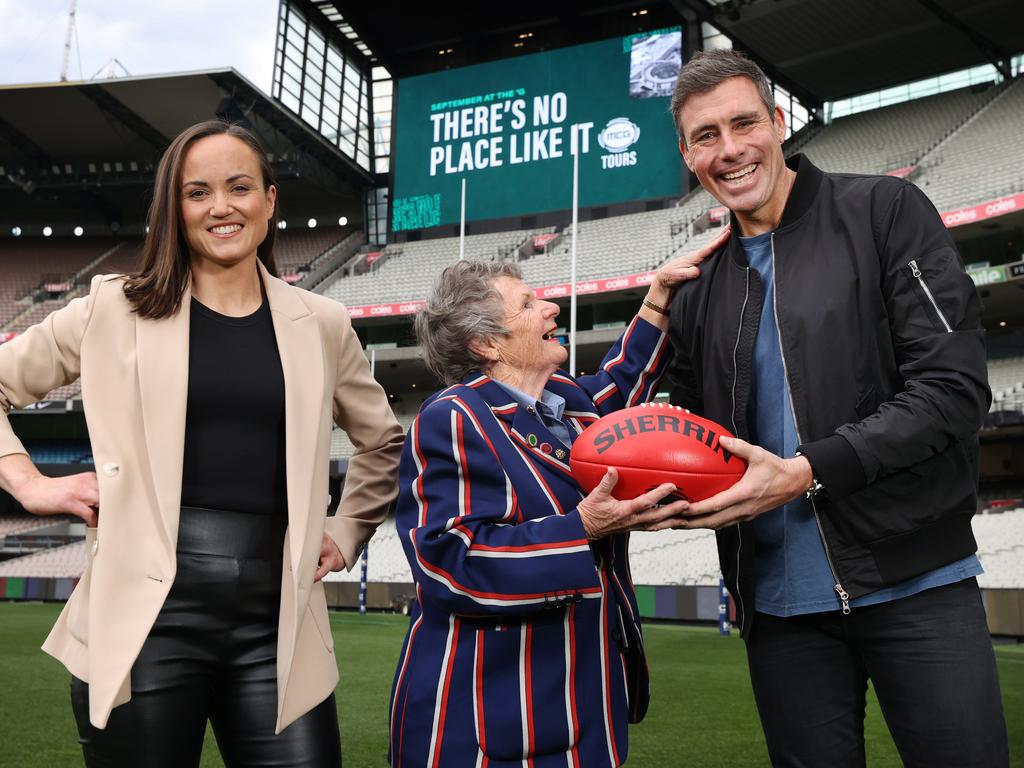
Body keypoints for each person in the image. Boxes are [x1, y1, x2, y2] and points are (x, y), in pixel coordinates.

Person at [0, 120, 404, 767]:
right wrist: (27, 482)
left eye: (239, 187)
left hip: (279, 621)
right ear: (175, 209)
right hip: (147, 623)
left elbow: (382, 439)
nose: (221, 207)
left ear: (269, 201)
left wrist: (350, 527)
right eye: (198, 192)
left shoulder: (321, 324)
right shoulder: (113, 309)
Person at [662, 49, 1008, 766]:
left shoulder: (884, 211)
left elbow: (952, 389)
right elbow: (692, 443)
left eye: (743, 123)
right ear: (687, 154)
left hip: (918, 583)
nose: (729, 151)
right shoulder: (696, 288)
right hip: (782, 612)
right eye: (705, 136)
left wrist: (808, 470)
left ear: (779, 123)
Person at [387, 239, 727, 768]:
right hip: (489, 716)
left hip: (582, 701)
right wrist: (583, 527)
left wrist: (658, 297)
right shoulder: (454, 416)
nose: (551, 308)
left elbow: (620, 388)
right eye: (527, 304)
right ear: (486, 344)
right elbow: (448, 562)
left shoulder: (567, 403)